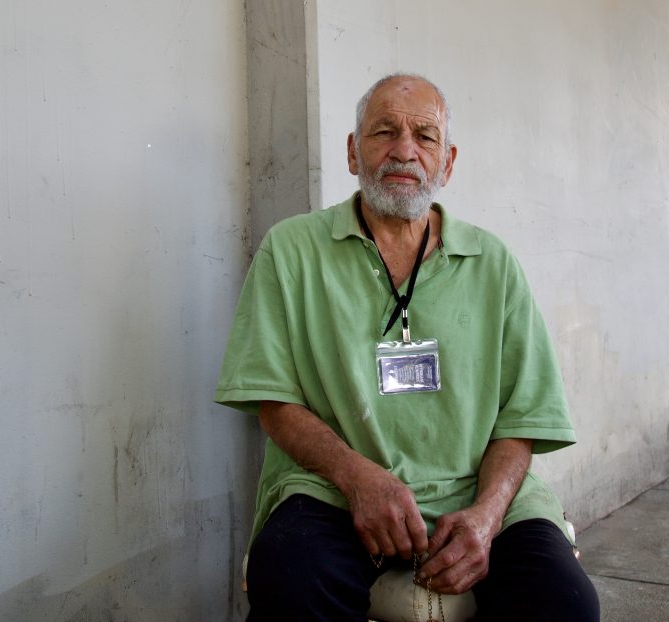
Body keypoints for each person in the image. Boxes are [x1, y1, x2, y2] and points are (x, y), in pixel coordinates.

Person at [215, 73, 599, 621]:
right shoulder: (291, 250)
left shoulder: (493, 263)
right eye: (384, 132)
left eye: (425, 136)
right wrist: (358, 478)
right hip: (333, 491)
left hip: (475, 491)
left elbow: (523, 418)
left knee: (565, 605)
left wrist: (487, 518)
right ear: (353, 152)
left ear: (448, 160)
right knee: (292, 580)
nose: (404, 150)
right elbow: (273, 403)